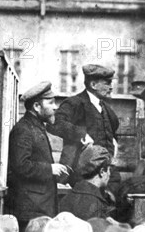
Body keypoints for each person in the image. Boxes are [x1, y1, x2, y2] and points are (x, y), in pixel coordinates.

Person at [5, 82, 69, 232]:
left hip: (39, 207)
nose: (55, 107)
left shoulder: (36, 127)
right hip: (31, 210)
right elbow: (20, 166)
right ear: (36, 106)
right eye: (50, 102)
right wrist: (49, 169)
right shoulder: (24, 129)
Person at [49, 64, 121, 195]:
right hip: (81, 174)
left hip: (106, 173)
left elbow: (113, 130)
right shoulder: (74, 103)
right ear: (93, 85)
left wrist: (114, 143)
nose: (111, 87)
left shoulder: (106, 108)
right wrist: (81, 134)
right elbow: (54, 123)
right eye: (107, 83)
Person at [59, 145, 115, 220]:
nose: (109, 174)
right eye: (109, 170)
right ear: (102, 172)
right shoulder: (97, 205)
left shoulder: (65, 198)